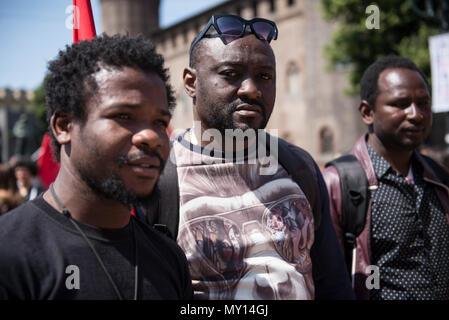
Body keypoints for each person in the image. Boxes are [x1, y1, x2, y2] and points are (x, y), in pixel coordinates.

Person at [148, 14, 354, 300]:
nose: (252, 90)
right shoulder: (157, 178)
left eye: (264, 77)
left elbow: (333, 284)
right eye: (230, 74)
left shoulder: (299, 167)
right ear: (191, 83)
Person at [0, 34, 192, 300]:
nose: (150, 136)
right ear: (64, 126)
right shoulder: (9, 251)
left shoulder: (169, 258)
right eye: (123, 116)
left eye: (159, 122)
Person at [322, 55, 449, 300]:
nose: (416, 114)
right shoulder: (339, 184)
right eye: (400, 104)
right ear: (367, 112)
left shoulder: (438, 178)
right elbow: (328, 281)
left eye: (423, 103)